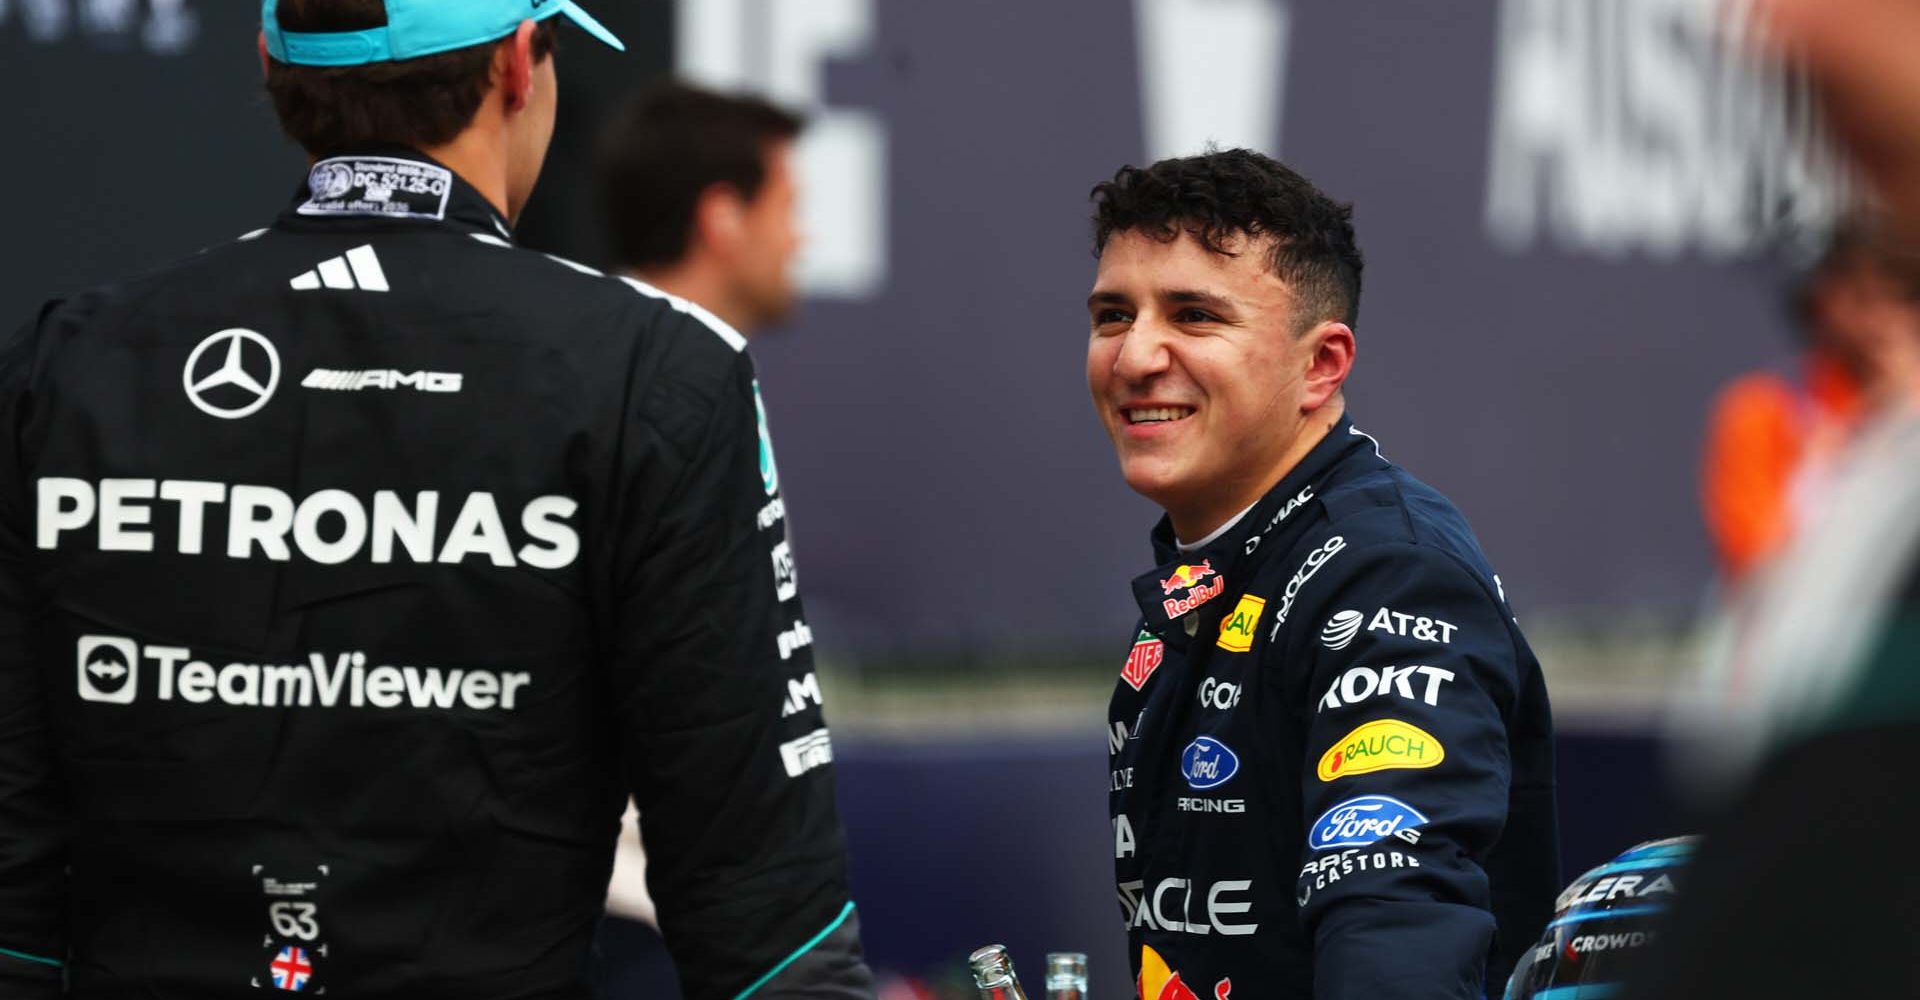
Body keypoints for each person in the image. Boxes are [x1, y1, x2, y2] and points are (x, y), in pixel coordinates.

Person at [0, 2, 874, 998]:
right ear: (516, 64)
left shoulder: (66, 363)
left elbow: (12, 889)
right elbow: (768, 923)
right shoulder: (658, 372)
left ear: (270, 67)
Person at [1087, 149, 1559, 1000]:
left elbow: (1397, 934)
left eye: (1193, 316)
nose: (1133, 356)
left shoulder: (1385, 575)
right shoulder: (1220, 564)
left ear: (1322, 366)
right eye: (1114, 314)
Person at [1699, 215, 1920, 581]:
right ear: (1822, 300)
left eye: (1905, 298)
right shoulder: (1763, 409)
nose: (1884, 319)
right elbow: (1756, 559)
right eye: (1864, 298)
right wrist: (1828, 473)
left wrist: (1907, 407)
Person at [596, 82, 805, 337]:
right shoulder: (618, 362)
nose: (798, 241)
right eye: (786, 209)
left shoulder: (604, 347)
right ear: (724, 218)